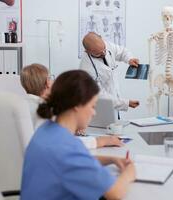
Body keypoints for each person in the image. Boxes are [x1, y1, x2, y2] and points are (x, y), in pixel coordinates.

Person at [21, 70, 136, 200]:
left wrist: (112, 159)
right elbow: (114, 193)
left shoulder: (47, 130)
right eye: (92, 106)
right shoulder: (66, 147)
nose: (94, 113)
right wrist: (129, 173)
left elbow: (75, 161)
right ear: (77, 105)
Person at [20, 63, 122, 149]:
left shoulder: (20, 103)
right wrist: (100, 141)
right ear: (47, 82)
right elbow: (63, 143)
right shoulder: (44, 111)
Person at [80, 32, 140, 112]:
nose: (104, 53)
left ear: (101, 38)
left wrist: (129, 59)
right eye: (98, 53)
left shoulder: (106, 45)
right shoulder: (86, 69)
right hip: (99, 109)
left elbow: (122, 52)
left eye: (104, 49)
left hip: (114, 101)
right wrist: (125, 103)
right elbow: (99, 95)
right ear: (87, 51)